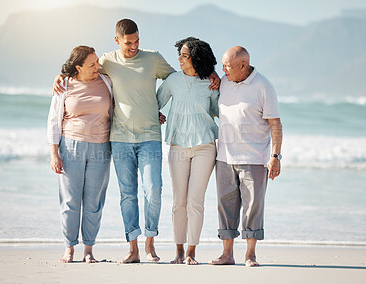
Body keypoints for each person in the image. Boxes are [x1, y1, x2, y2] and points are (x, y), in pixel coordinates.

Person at [53, 19, 220, 264]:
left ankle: (150, 243)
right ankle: (133, 248)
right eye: (129, 42)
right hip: (119, 138)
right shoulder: (107, 61)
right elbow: (82, 69)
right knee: (127, 195)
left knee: (153, 191)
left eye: (137, 41)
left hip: (150, 136)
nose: (134, 46)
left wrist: (211, 71)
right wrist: (60, 75)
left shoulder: (153, 59)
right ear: (117, 40)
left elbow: (184, 80)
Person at [210, 46, 283, 267]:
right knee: (225, 207)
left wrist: (276, 156)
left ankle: (250, 254)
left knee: (253, 207)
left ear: (243, 65)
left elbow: (275, 123)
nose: (223, 70)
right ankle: (227, 254)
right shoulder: (223, 82)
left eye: (228, 66)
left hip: (254, 158)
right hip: (224, 157)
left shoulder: (263, 86)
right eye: (222, 66)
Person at [47, 46, 113, 263]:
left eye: (97, 62)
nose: (97, 67)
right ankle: (69, 248)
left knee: (94, 202)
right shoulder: (64, 84)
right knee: (70, 200)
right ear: (78, 67)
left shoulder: (106, 81)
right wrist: (54, 153)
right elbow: (54, 121)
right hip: (71, 147)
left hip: (101, 148)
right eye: (92, 64)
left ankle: (89, 249)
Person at [157, 37, 219, 265]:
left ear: (197, 58)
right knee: (178, 201)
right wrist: (157, 115)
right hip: (178, 146)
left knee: (195, 200)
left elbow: (221, 111)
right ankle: (179, 251)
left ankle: (192, 251)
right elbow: (155, 102)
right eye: (180, 55)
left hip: (205, 146)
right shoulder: (173, 80)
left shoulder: (210, 84)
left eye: (184, 55)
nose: (180, 59)